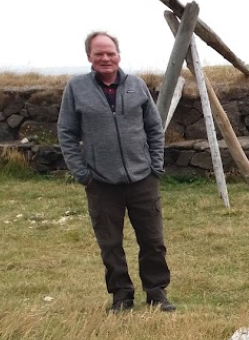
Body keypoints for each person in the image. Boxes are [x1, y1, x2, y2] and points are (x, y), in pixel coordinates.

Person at [57, 31, 175, 313]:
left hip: (142, 179)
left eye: (110, 53)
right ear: (89, 57)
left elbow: (154, 128)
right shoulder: (76, 89)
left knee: (153, 240)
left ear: (118, 55)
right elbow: (66, 133)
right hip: (100, 182)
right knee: (110, 244)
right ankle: (121, 296)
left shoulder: (136, 85)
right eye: (99, 53)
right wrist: (82, 173)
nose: (105, 58)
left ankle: (156, 293)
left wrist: (155, 165)